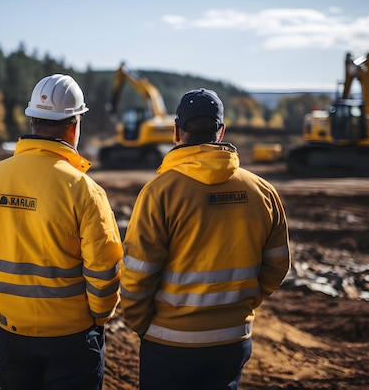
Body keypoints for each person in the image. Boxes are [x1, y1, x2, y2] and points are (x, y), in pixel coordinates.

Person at [120, 88, 291, 390]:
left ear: (177, 132)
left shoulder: (159, 192)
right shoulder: (262, 191)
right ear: (221, 130)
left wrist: (141, 323)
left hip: (168, 342)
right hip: (232, 339)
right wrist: (241, 306)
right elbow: (277, 266)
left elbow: (137, 274)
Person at [0, 74, 123, 390]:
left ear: (32, 120)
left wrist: (11, 299)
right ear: (74, 124)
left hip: (8, 331)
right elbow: (105, 271)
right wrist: (98, 317)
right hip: (71, 338)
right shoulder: (84, 190)